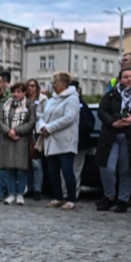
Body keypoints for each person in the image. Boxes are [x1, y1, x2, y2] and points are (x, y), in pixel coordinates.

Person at [95, 69, 131, 214]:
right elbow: (101, 111)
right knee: (107, 168)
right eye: (126, 77)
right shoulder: (111, 94)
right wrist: (112, 122)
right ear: (120, 79)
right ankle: (109, 196)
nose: (129, 79)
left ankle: (123, 199)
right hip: (111, 135)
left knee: (126, 169)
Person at [37, 72, 81, 210]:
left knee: (67, 171)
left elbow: (68, 118)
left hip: (65, 141)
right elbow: (42, 116)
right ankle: (58, 197)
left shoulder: (72, 99)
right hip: (51, 141)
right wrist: (42, 126)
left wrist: (49, 128)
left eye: (55, 82)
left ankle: (71, 199)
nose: (53, 85)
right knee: (53, 171)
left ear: (64, 84)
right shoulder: (52, 99)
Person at [0, 82, 37, 205]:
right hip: (7, 139)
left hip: (22, 140)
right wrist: (9, 131)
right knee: (9, 169)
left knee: (21, 169)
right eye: (14, 92)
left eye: (19, 92)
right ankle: (11, 193)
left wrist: (17, 130)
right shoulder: (5, 104)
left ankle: (20, 194)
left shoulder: (30, 105)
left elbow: (31, 122)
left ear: (24, 93)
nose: (15, 94)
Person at [25, 79, 47, 200]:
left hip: (37, 133)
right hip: (25, 132)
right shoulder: (24, 99)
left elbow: (46, 114)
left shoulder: (43, 99)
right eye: (28, 86)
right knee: (27, 163)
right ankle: (30, 188)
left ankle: (38, 189)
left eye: (32, 86)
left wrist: (32, 114)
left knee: (36, 163)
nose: (30, 88)